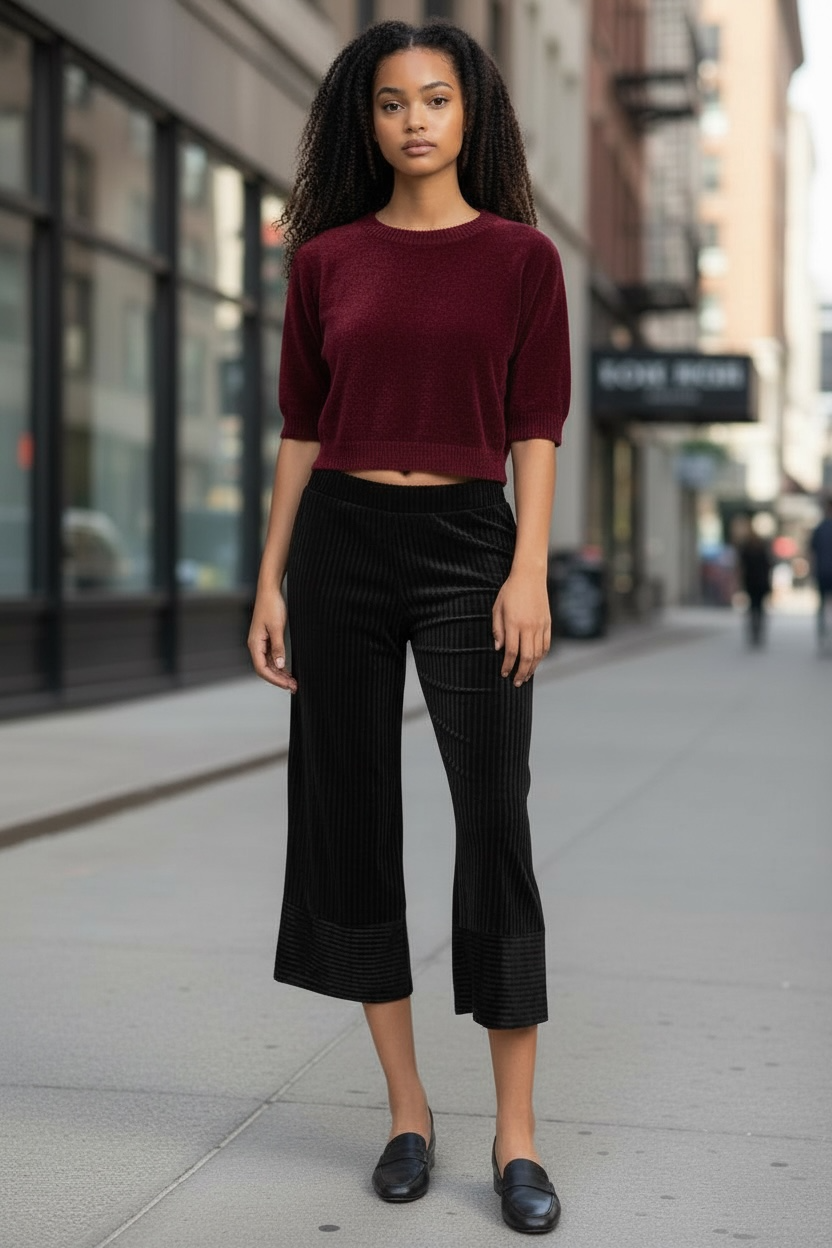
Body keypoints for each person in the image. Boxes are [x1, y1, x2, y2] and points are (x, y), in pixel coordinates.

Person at [247, 20, 569, 1235]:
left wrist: (526, 568)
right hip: (338, 548)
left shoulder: (522, 260)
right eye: (391, 104)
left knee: (494, 820)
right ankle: (405, 1111)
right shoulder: (323, 259)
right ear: (366, 121)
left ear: (472, 113)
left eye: (436, 99)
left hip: (471, 551)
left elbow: (534, 423)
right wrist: (271, 578)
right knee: (349, 820)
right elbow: (299, 427)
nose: (416, 120)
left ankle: (519, 1139)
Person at [737, 527, 772, 647]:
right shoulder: (761, 549)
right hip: (759, 583)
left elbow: (741, 567)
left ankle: (754, 630)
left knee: (753, 607)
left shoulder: (747, 550)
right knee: (759, 607)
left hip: (751, 583)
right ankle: (757, 630)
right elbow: (767, 567)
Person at [810, 497, 832, 652]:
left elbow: (812, 553)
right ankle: (824, 638)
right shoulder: (819, 528)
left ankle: (823, 637)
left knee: (822, 607)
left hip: (822, 572)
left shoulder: (819, 528)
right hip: (824, 572)